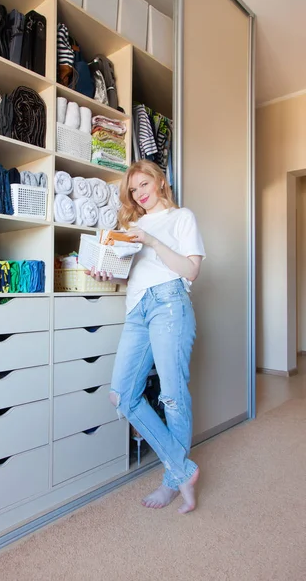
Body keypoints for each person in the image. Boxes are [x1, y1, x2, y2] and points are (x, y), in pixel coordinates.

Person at [86, 160, 206, 513]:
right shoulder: (132, 224)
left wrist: (152, 240)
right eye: (133, 189)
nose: (139, 193)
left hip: (170, 303)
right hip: (137, 309)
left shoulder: (182, 218)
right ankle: (183, 469)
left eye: (143, 184)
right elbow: (132, 275)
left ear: (159, 181)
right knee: (121, 395)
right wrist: (108, 275)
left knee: (171, 395)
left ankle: (173, 482)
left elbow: (192, 271)